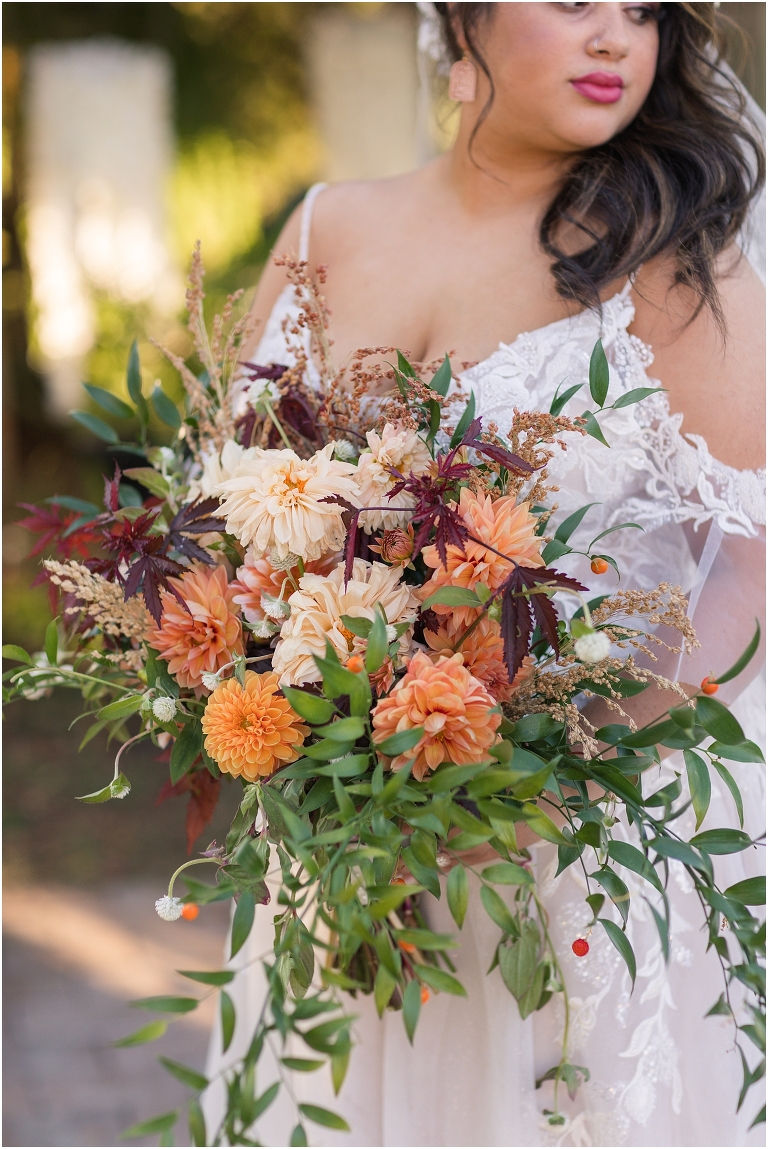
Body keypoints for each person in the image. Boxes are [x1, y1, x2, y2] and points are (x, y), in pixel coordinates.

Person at [203, 5, 765, 1145]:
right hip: (345, 827)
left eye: (644, 11)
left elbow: (747, 565)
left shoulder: (670, 246)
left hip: (588, 836)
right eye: (574, 0)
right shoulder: (328, 225)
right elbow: (231, 508)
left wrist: (544, 774)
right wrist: (284, 698)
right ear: (461, 20)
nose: (617, 37)